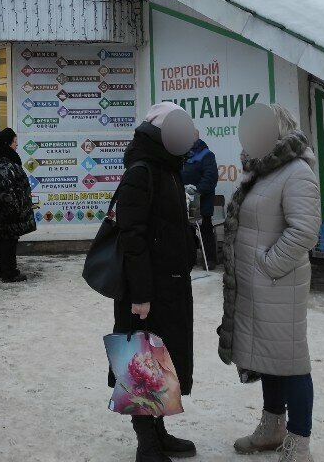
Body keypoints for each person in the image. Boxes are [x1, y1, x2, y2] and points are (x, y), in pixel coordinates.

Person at [218, 104, 320, 462]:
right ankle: (273, 426)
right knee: (268, 357)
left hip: (279, 284)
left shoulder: (296, 172)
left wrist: (269, 266)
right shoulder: (262, 171)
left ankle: (299, 442)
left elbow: (304, 230)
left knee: (291, 361)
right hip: (257, 285)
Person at [112, 102, 199, 462]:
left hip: (170, 286)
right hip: (146, 291)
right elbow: (131, 237)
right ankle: (146, 443)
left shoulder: (167, 168)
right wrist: (141, 293)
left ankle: (159, 432)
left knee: (163, 362)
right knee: (142, 361)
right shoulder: (142, 171)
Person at [0, 128, 36, 282]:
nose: (17, 144)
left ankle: (3, 270)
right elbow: (6, 191)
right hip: (7, 211)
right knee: (8, 241)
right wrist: (14, 209)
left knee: (4, 241)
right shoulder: (5, 164)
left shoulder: (0, 161)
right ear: (7, 143)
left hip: (2, 211)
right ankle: (9, 273)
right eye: (15, 141)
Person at [182, 135, 219, 269]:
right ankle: (188, 258)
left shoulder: (207, 155)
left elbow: (211, 177)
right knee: (185, 230)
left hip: (203, 202)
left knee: (205, 229)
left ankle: (209, 260)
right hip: (183, 200)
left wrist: (196, 190)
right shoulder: (180, 154)